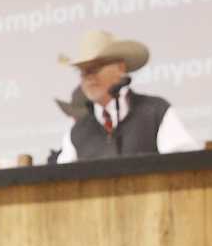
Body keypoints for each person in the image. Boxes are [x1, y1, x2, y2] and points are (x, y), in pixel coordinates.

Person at [54, 29, 202, 162]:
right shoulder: (78, 131)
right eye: (83, 72)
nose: (88, 77)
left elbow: (185, 162)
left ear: (120, 68)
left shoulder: (155, 111)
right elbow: (61, 180)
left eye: (94, 68)